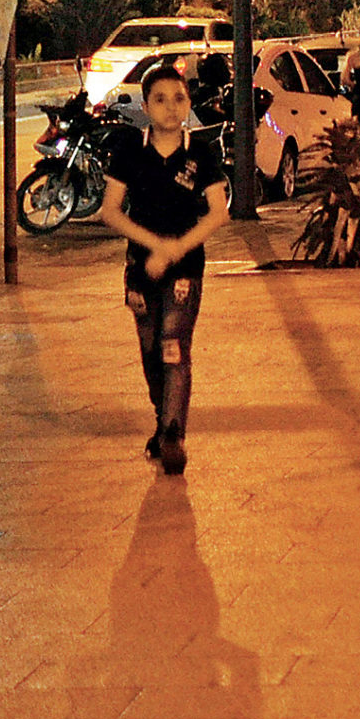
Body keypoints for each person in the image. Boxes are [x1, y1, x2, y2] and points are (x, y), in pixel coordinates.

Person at [101, 64, 228, 475]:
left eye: (179, 99)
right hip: (140, 271)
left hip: (185, 270)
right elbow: (111, 212)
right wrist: (154, 247)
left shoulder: (202, 154)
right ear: (145, 106)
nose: (171, 108)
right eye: (160, 99)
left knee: (174, 344)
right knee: (151, 350)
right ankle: (162, 418)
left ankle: (174, 433)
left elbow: (218, 213)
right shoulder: (128, 151)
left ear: (189, 103)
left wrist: (175, 251)